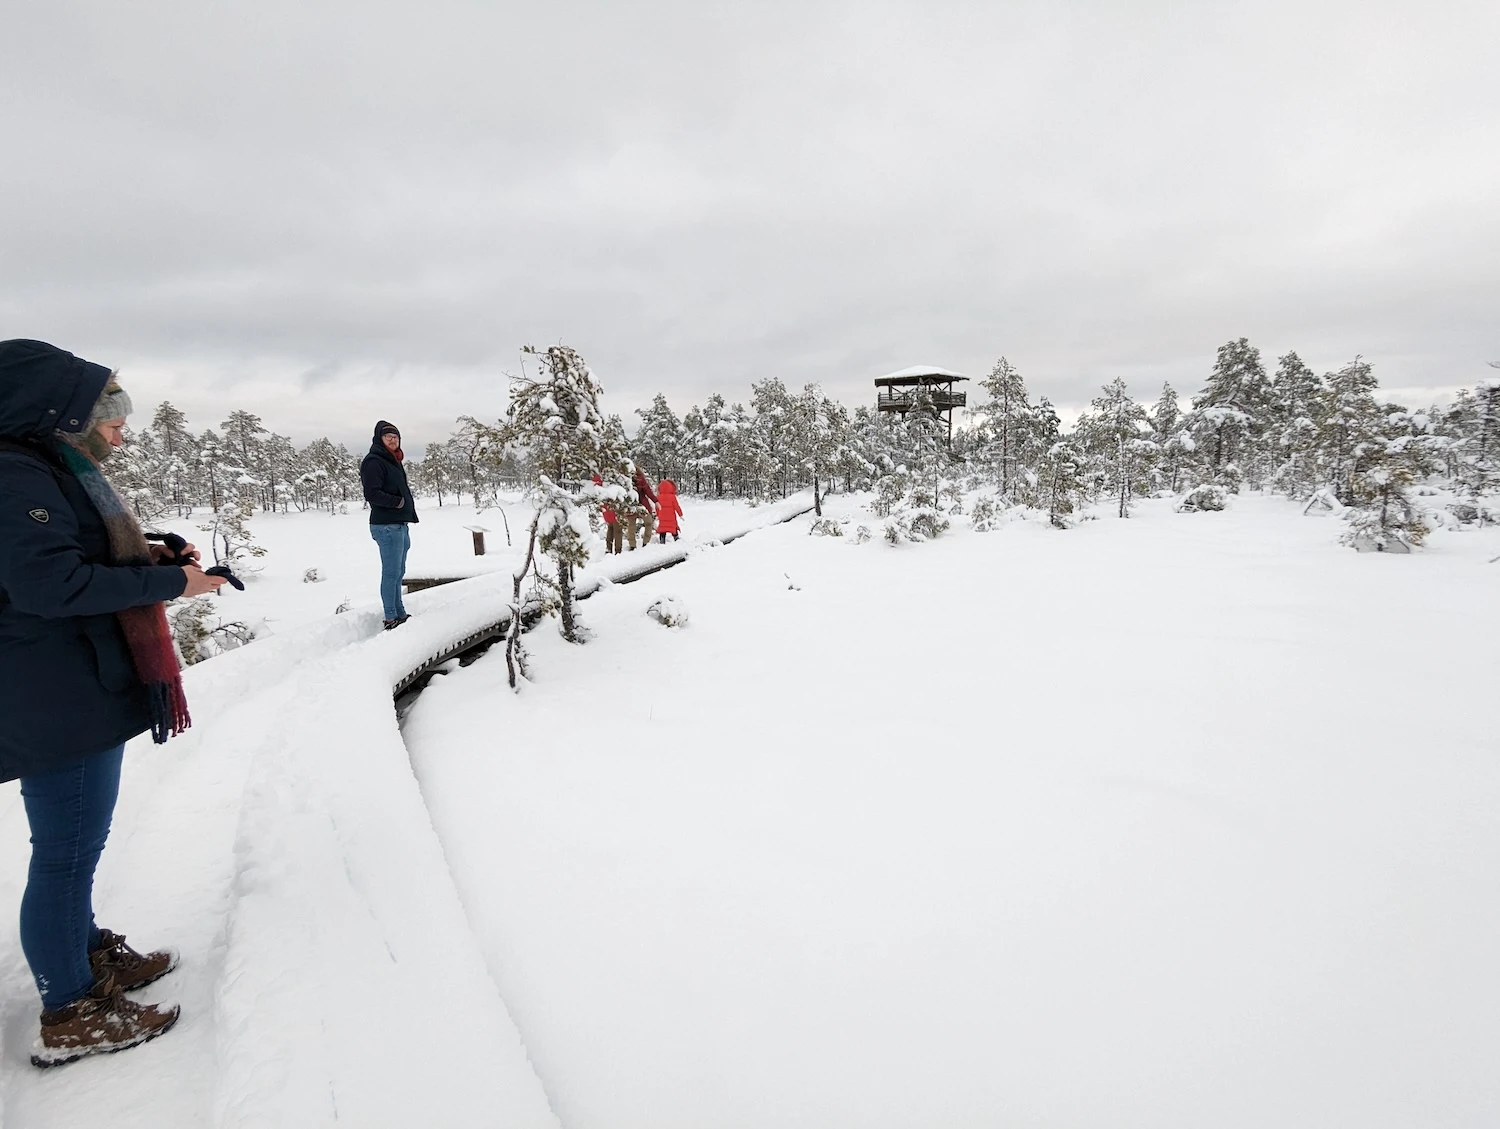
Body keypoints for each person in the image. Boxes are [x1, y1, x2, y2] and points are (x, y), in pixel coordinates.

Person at [0, 338, 226, 1067]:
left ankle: (82, 947)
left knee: (75, 845)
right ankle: (68, 1007)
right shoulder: (12, 474)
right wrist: (171, 587)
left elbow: (74, 558)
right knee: (65, 851)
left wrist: (151, 558)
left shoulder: (48, 467)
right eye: (110, 412)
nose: (122, 428)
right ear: (56, 410)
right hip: (49, 694)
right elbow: (49, 586)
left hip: (72, 686)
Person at [360, 420, 418, 629]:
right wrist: (398, 502)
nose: (393, 440)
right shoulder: (374, 461)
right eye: (388, 437)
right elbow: (371, 493)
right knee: (391, 572)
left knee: (399, 571)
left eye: (395, 437)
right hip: (386, 525)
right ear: (380, 439)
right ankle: (391, 617)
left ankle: (400, 612)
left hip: (399, 524)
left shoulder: (393, 460)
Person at [627, 465, 657, 550]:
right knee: (649, 522)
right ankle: (645, 542)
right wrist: (655, 501)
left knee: (631, 525)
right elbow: (648, 491)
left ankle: (632, 545)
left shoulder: (624, 479)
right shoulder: (640, 478)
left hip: (630, 505)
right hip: (642, 505)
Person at [593, 473, 622, 554]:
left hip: (606, 510)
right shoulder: (610, 478)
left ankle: (608, 548)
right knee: (617, 531)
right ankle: (618, 551)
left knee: (610, 528)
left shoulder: (598, 483)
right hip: (614, 510)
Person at [656, 478, 684, 543]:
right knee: (673, 527)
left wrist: (657, 515)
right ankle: (676, 538)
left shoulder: (659, 497)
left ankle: (662, 540)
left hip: (662, 516)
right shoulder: (672, 497)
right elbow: (677, 506)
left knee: (662, 528)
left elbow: (657, 507)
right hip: (671, 516)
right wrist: (680, 514)